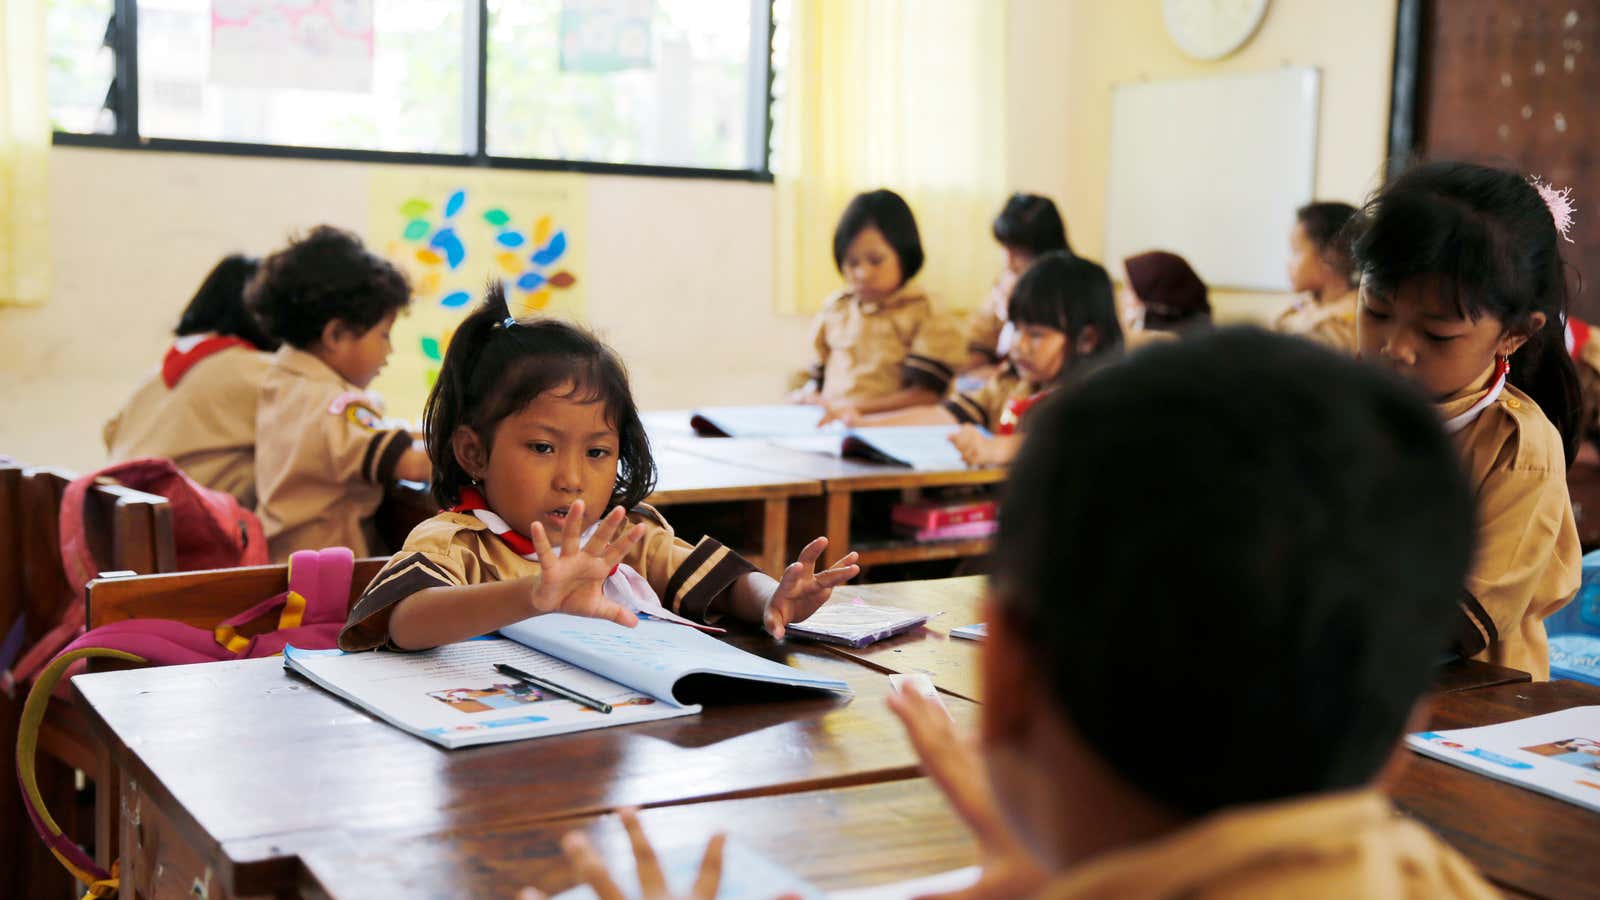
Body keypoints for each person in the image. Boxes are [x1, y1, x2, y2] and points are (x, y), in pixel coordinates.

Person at [341, 286, 861, 652]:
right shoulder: (458, 542)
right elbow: (406, 621)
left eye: (596, 453)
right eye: (543, 448)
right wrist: (535, 594)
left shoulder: (622, 536)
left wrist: (774, 597)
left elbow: (718, 580)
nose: (571, 478)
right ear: (474, 453)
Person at [1352, 161, 1582, 680]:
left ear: (1514, 335)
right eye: (1376, 310)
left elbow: (1466, 616)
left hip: (1472, 695)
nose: (1395, 348)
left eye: (1436, 335)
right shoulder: (1338, 406)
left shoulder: (1518, 447)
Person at [248, 225, 431, 560]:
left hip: (282, 564)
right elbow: (413, 465)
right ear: (335, 335)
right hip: (331, 581)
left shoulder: (283, 381)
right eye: (384, 335)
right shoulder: (334, 405)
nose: (389, 351)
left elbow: (371, 436)